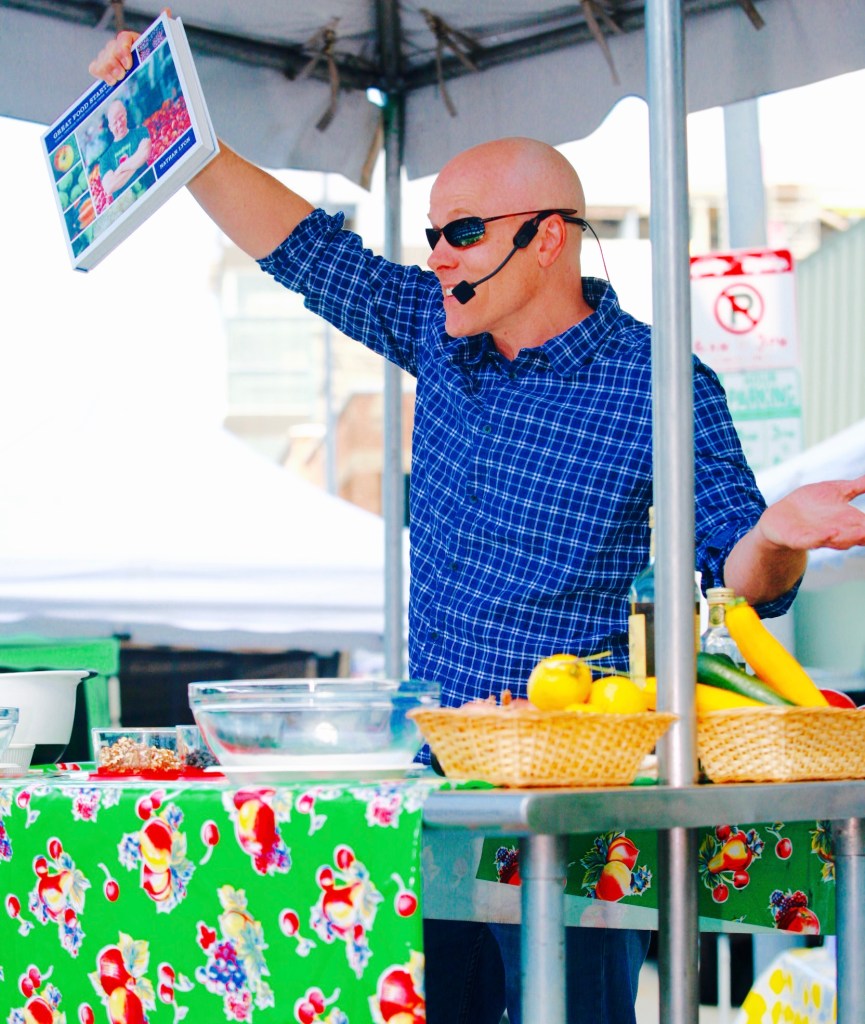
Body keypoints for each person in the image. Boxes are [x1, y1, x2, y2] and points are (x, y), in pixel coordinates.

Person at [90, 33, 865, 1024]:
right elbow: (301, 249)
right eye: (433, 234)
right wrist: (172, 123)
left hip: (570, 799)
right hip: (431, 787)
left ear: (547, 238)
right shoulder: (439, 329)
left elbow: (740, 579)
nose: (437, 255)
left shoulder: (659, 380)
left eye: (459, 232)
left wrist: (781, 533)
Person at [98, 97, 152, 198]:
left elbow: (144, 155)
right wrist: (137, 160)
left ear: (125, 114)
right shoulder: (105, 159)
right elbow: (109, 186)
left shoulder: (141, 132)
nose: (119, 124)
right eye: (115, 122)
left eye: (121, 117)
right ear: (110, 127)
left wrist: (120, 169)